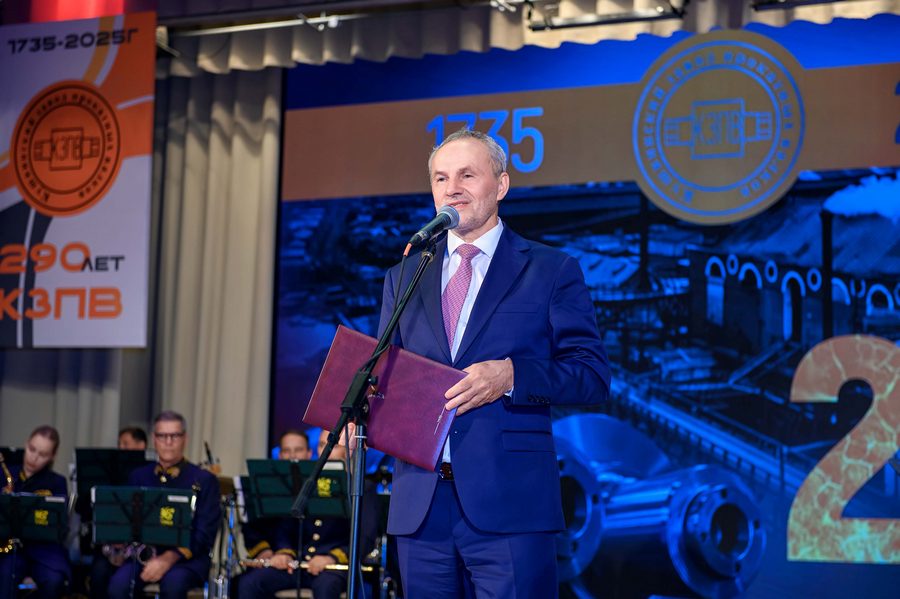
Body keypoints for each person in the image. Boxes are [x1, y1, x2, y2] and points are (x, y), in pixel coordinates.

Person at [377, 128, 611, 598]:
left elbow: (591, 375)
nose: (452, 188)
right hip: (420, 506)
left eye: (467, 175)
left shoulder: (550, 269)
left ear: (501, 185)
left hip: (511, 504)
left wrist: (512, 376)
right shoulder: (404, 276)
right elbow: (385, 373)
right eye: (441, 178)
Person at [236, 428, 378, 599]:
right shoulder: (307, 481)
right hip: (301, 564)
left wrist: (331, 558)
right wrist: (285, 552)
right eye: (322, 445)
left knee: (325, 587)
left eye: (333, 445)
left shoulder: (363, 487)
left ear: (350, 449)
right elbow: (287, 524)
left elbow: (366, 538)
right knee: (249, 583)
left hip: (335, 567)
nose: (326, 450)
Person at [107, 411, 221, 598]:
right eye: (162, 436)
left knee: (173, 586)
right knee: (118, 586)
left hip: (187, 560)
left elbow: (204, 534)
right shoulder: (139, 476)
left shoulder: (204, 479)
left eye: (174, 436)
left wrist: (168, 559)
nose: (168, 442)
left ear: (185, 439)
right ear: (154, 439)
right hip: (145, 556)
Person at [0, 425, 71, 598]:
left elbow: (59, 527)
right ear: (26, 444)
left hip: (44, 551)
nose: (34, 457)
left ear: (52, 456)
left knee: (53, 580)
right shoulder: (6, 474)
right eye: (32, 449)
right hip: (8, 548)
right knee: (5, 575)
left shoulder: (57, 482)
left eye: (43, 454)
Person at [87, 426, 149, 598]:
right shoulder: (111, 472)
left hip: (139, 548)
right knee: (98, 573)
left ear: (141, 445)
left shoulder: (147, 474)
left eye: (126, 444)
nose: (121, 448)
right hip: (112, 543)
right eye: (119, 444)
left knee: (121, 584)